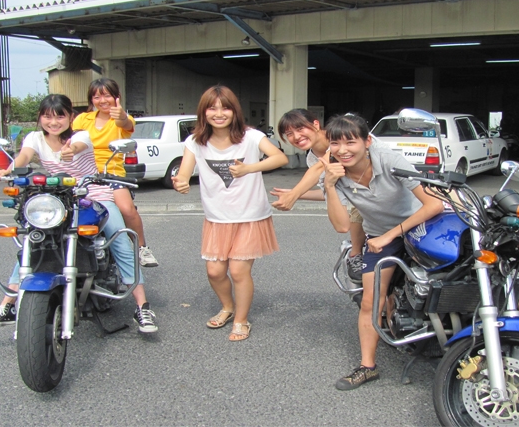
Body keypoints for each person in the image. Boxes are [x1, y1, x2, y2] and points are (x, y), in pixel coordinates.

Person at [0, 94, 157, 333]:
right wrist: (8, 170)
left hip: (93, 193)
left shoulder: (79, 136)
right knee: (35, 240)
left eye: (60, 116)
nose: (53, 122)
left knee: (119, 238)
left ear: (70, 117)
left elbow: (78, 147)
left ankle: (142, 306)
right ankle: (7, 304)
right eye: (47, 116)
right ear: (40, 118)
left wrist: (70, 151)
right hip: (59, 196)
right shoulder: (34, 138)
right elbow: (23, 157)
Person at [318, 113, 444, 390]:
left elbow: (433, 205)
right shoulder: (334, 176)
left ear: (367, 141)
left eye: (350, 142)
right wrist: (328, 184)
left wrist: (390, 234)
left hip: (419, 225)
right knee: (370, 301)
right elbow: (341, 225)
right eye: (335, 144)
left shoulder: (389, 159)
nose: (342, 150)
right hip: (379, 236)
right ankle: (367, 366)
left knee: (467, 267)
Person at [172, 85, 288, 341]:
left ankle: (241, 320)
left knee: (238, 271)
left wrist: (249, 168)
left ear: (234, 111)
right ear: (203, 112)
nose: (219, 113)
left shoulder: (251, 137)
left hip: (250, 216)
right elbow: (184, 173)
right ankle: (227, 306)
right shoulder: (195, 141)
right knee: (214, 272)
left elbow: (280, 158)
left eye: (225, 107)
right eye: (212, 108)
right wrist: (180, 182)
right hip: (217, 217)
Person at [271, 109, 381, 282]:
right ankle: (355, 254)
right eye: (289, 133)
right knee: (354, 204)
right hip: (366, 200)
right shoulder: (312, 159)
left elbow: (323, 165)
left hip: (386, 192)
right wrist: (300, 195)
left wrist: (294, 193)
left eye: (300, 129)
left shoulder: (340, 135)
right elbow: (330, 193)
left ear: (315, 124)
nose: (296, 136)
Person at [73, 78, 158, 267]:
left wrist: (120, 115)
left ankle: (142, 248)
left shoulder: (119, 119)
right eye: (96, 96)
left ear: (116, 97)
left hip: (111, 173)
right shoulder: (82, 119)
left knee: (127, 209)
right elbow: (72, 141)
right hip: (83, 173)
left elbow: (126, 124)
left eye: (106, 95)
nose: (102, 100)